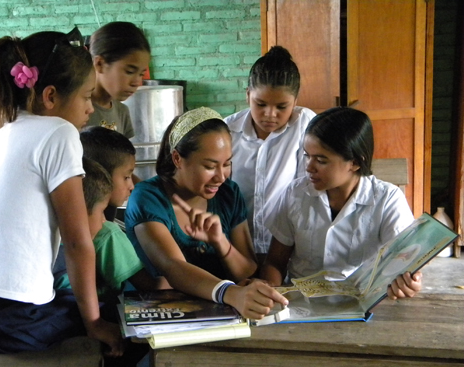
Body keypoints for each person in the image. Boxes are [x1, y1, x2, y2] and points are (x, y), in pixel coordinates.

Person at [0, 28, 123, 356]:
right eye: (87, 97)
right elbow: (77, 242)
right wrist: (94, 323)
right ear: (50, 96)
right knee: (104, 308)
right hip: (11, 325)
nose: (91, 109)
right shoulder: (60, 132)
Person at [124, 107, 288, 320]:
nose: (221, 176)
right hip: (161, 317)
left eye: (227, 164)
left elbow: (246, 271)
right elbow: (173, 267)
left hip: (220, 316)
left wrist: (221, 242)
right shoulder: (148, 197)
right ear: (177, 158)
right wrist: (230, 293)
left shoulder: (228, 193)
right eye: (210, 166)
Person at [261, 107, 422, 300]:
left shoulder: (387, 200)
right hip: (301, 302)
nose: (309, 167)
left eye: (321, 160)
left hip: (361, 302)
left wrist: (407, 282)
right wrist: (270, 288)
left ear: (354, 163)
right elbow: (275, 261)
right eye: (307, 155)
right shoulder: (295, 194)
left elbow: (404, 263)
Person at [56, 126, 169, 305]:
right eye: (126, 176)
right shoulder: (108, 232)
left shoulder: (56, 225)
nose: (132, 185)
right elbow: (151, 286)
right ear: (103, 178)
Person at [224, 45, 316, 260]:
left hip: (289, 249)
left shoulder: (306, 126)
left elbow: (308, 189)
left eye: (282, 107)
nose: (270, 115)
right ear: (248, 95)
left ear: (296, 101)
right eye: (260, 104)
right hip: (237, 247)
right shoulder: (227, 131)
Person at [86, 21, 150, 139]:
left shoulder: (122, 112)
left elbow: (124, 157)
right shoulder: (78, 111)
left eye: (141, 74)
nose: (136, 82)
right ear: (99, 64)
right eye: (129, 71)